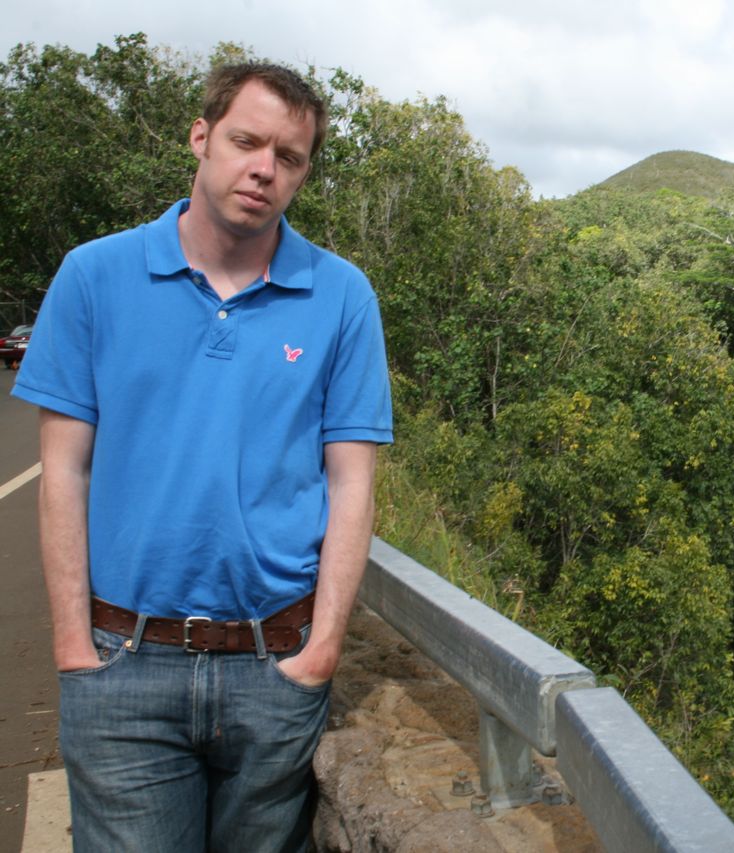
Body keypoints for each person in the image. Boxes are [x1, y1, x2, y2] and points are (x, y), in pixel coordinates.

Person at [12, 62, 393, 851]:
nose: (264, 168)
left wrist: (320, 652)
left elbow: (350, 484)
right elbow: (65, 473)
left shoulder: (341, 295)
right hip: (124, 664)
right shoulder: (94, 275)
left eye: (289, 156)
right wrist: (74, 651)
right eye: (246, 141)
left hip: (274, 666)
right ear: (201, 136)